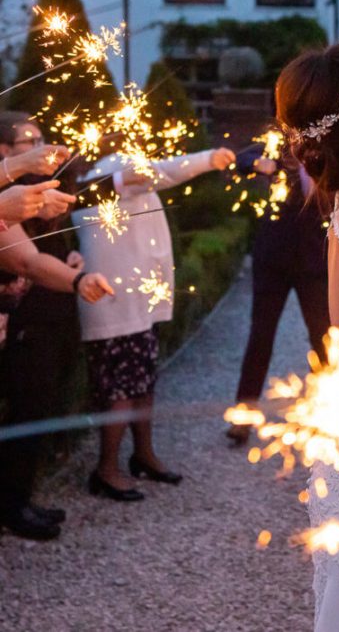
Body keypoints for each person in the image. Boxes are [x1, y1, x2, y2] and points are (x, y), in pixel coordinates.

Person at [73, 145, 235, 501]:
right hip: (115, 305)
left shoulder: (109, 170)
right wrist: (208, 158)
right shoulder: (102, 174)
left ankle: (143, 455)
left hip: (137, 304)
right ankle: (106, 469)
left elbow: (157, 172)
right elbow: (164, 172)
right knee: (119, 391)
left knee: (143, 384)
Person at [0, 117, 112, 540]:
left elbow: (39, 251)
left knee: (36, 408)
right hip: (25, 322)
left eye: (39, 138)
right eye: (26, 141)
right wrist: (77, 280)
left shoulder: (31, 191)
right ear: (3, 149)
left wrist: (73, 268)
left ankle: (18, 500)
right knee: (25, 409)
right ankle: (12, 505)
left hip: (48, 314)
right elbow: (25, 261)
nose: (38, 145)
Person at [227, 144, 330, 445]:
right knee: (260, 336)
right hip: (272, 259)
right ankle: (244, 413)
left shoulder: (327, 149)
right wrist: (261, 164)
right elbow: (242, 159)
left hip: (314, 260)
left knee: (323, 339)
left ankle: (325, 413)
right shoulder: (277, 145)